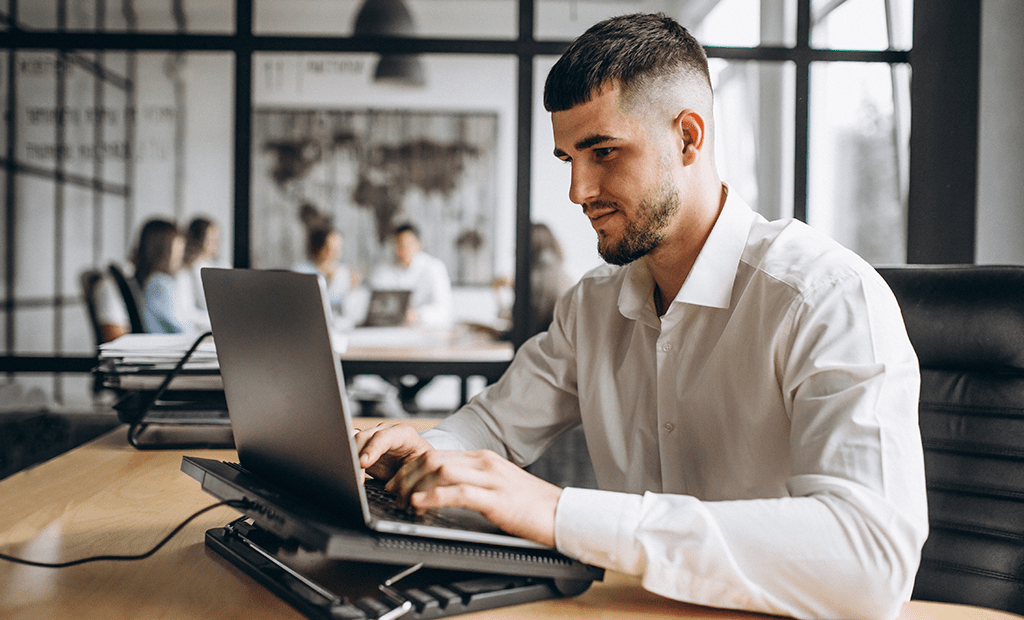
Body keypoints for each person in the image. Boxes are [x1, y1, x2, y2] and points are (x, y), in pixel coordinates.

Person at [355, 13, 928, 620]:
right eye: (568, 157)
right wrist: (421, 451)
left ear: (687, 137)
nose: (578, 190)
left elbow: (870, 562)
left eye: (603, 152)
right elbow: (493, 427)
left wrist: (558, 514)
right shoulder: (592, 305)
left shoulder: (826, 297)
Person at [367, 222, 453, 328]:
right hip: (390, 331)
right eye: (398, 245)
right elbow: (373, 308)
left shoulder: (434, 268)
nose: (403, 249)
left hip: (426, 331)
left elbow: (444, 311)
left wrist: (417, 315)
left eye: (408, 244)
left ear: (420, 244)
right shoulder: (383, 271)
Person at [134, 218, 192, 335]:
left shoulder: (151, 281)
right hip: (172, 348)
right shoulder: (160, 284)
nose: (180, 259)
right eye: (178, 253)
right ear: (162, 252)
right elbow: (182, 330)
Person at [293, 224, 360, 317]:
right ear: (318, 248)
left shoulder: (344, 274)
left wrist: (352, 290)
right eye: (330, 249)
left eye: (338, 249)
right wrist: (328, 280)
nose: (335, 254)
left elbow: (351, 313)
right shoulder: (301, 272)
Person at [176, 216, 218, 331]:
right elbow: (187, 311)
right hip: (201, 328)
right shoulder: (185, 271)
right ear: (199, 239)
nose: (215, 243)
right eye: (211, 239)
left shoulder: (217, 265)